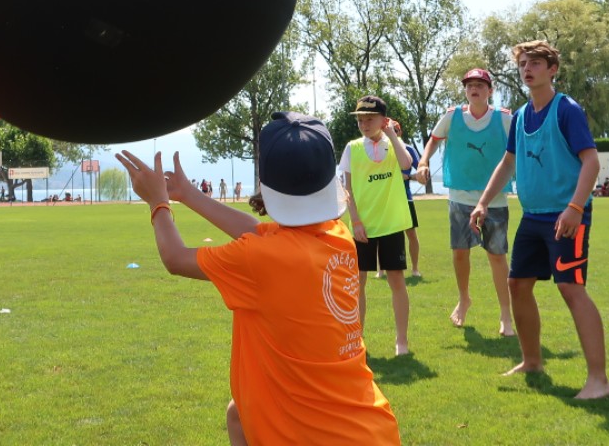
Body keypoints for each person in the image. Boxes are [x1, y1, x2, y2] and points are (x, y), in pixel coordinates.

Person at [116, 112, 400, 446]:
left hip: (318, 436)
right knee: (238, 414)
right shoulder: (337, 235)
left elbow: (175, 258)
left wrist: (158, 203)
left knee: (241, 413)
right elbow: (256, 230)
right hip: (370, 425)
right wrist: (189, 194)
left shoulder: (261, 258)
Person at [470, 40, 609, 399]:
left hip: (567, 216)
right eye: (523, 64)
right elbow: (507, 163)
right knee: (517, 285)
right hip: (533, 218)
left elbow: (591, 162)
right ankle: (531, 361)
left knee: (571, 289)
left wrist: (575, 208)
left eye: (535, 62)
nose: (527, 68)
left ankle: (599, 380)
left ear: (552, 70)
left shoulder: (567, 109)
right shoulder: (519, 115)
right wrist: (484, 202)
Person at [417, 68, 515, 335]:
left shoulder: (505, 119)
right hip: (459, 198)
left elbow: (521, 149)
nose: (475, 89)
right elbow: (433, 141)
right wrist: (424, 161)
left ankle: (506, 315)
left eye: (480, 85)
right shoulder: (451, 116)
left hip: (494, 200)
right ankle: (464, 298)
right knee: (460, 253)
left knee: (497, 257)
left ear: (490, 91)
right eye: (470, 85)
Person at [340, 96, 414, 356]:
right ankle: (357, 340)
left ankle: (401, 342)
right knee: (358, 285)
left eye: (369, 119)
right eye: (360, 119)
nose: (364, 124)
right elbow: (347, 190)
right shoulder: (352, 148)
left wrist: (393, 136)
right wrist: (356, 222)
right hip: (363, 228)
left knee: (397, 281)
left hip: (392, 224)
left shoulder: (394, 144)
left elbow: (407, 164)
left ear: (383, 120)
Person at [378, 121, 422, 279]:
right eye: (388, 130)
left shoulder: (408, 149)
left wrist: (408, 176)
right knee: (382, 234)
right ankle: (381, 270)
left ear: (400, 132)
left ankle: (415, 269)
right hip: (385, 199)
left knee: (411, 234)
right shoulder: (380, 149)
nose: (392, 133)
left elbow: (422, 172)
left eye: (395, 130)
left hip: (405, 198)